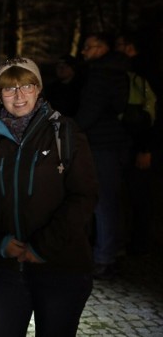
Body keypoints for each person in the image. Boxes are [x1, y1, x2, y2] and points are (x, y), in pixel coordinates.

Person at [0, 57, 97, 337]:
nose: (18, 96)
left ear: (39, 89)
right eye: (9, 88)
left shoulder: (65, 133)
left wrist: (42, 247)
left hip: (61, 267)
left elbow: (84, 196)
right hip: (6, 269)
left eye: (27, 86)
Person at [75, 32, 129, 279]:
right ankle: (113, 251)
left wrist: (71, 131)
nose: (84, 52)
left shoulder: (101, 74)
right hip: (116, 142)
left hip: (100, 143)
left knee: (102, 201)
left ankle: (103, 258)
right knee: (111, 200)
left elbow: (90, 112)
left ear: (102, 47)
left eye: (88, 47)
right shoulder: (119, 70)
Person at [115, 34, 158, 255]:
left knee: (139, 194)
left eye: (120, 45)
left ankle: (140, 242)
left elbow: (148, 116)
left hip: (139, 142)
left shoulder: (143, 72)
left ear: (130, 47)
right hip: (134, 141)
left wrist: (145, 148)